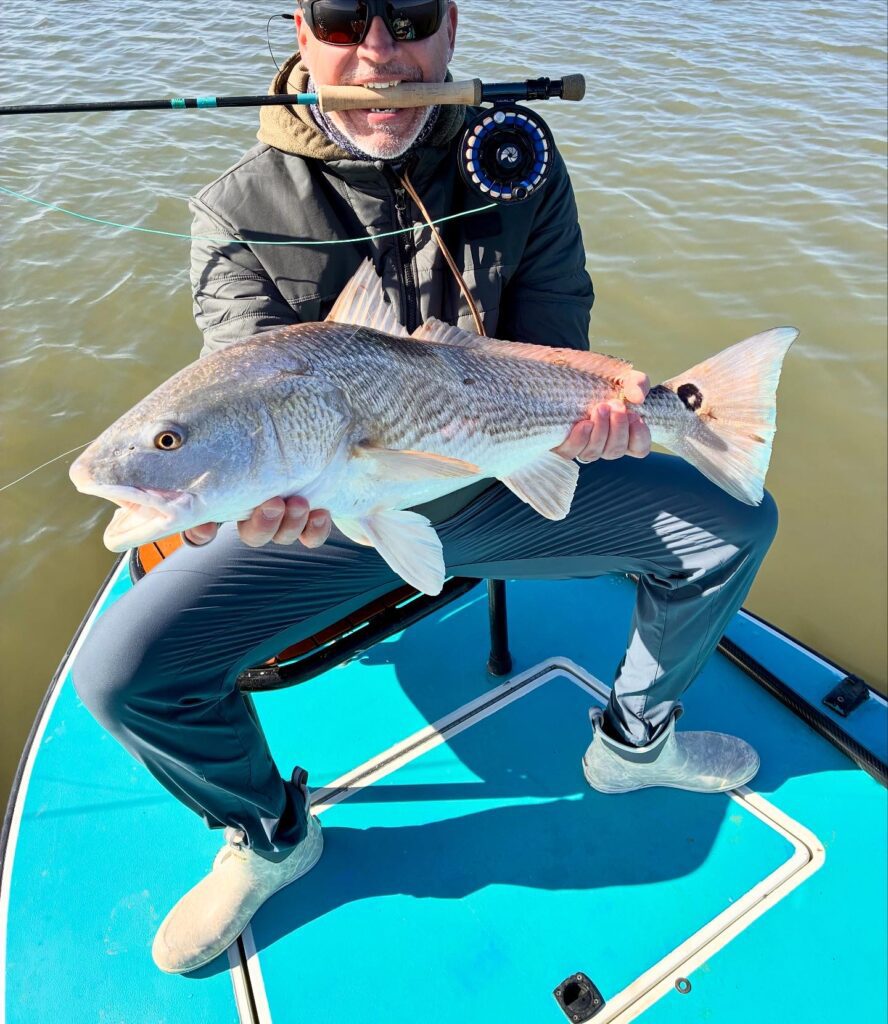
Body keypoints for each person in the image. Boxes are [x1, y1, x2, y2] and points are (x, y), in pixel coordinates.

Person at [71, 0, 775, 976]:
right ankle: (271, 833)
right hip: (321, 523)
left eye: (408, 15)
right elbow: (240, 380)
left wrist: (613, 411)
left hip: (488, 479)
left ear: (451, 26)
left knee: (735, 521)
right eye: (340, 15)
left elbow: (553, 348)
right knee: (119, 675)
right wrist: (241, 498)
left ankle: (635, 740)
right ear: (297, 25)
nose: (379, 51)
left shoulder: (513, 153)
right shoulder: (238, 210)